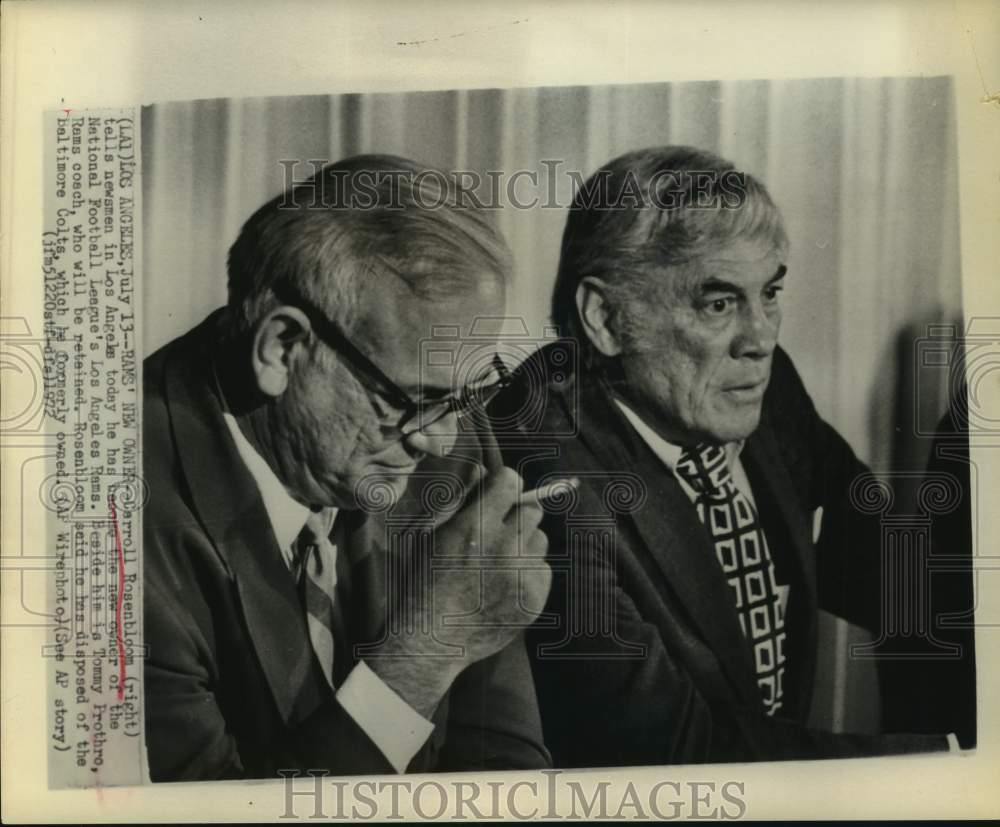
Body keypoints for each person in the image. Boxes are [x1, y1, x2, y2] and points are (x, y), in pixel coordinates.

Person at [491, 146, 955, 765]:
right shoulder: (537, 467)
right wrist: (950, 764)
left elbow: (903, 576)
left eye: (770, 293)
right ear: (605, 318)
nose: (761, 337)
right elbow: (676, 749)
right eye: (718, 303)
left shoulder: (754, 383)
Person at [143, 155, 552, 781]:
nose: (444, 440)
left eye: (466, 396)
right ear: (282, 348)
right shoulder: (109, 533)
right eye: (415, 402)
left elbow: (502, 759)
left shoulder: (446, 424)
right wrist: (425, 650)